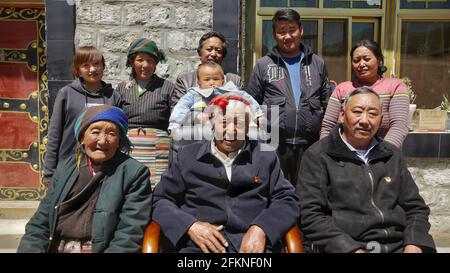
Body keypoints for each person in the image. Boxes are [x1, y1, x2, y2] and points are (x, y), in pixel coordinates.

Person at [152, 94, 299, 253]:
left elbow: (287, 199)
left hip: (253, 248)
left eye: (240, 123)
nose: (231, 131)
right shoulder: (187, 157)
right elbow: (160, 199)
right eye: (224, 122)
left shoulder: (265, 156)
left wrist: (262, 228)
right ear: (212, 124)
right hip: (200, 248)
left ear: (249, 127)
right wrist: (190, 225)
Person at [296, 87, 436, 253]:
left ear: (381, 119)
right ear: (342, 115)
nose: (364, 120)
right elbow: (310, 215)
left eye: (372, 114)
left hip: (398, 246)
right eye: (357, 111)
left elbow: (416, 208)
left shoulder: (391, 154)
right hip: (348, 247)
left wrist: (414, 244)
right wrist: (350, 249)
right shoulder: (318, 155)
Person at [18, 105, 152, 253]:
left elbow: (129, 232)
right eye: (95, 132)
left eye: (111, 133)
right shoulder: (65, 168)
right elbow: (41, 222)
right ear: (82, 137)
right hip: (58, 245)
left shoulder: (134, 173)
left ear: (119, 140)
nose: (102, 140)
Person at [247, 8, 332, 186]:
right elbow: (251, 103)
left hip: (310, 142)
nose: (287, 36)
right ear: (274, 34)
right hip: (274, 142)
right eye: (281, 31)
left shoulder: (317, 63)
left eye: (292, 30)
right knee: (274, 189)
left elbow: (327, 102)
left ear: (301, 30)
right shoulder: (263, 65)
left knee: (308, 190)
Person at [43, 46, 122, 185]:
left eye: (97, 64)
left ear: (103, 66)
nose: (93, 69)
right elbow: (55, 134)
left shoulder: (113, 96)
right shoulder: (66, 94)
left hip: (105, 167)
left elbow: (119, 133)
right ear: (78, 70)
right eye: (86, 65)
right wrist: (49, 173)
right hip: (70, 165)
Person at [320, 39, 409, 148]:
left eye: (367, 59)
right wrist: (326, 153)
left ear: (380, 61)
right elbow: (328, 126)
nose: (361, 64)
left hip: (383, 156)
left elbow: (399, 127)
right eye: (356, 60)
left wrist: (382, 154)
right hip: (343, 156)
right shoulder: (341, 89)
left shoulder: (395, 87)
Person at [115, 38, 176, 189]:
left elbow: (176, 118)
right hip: (129, 146)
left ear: (156, 63)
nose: (145, 65)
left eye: (150, 60)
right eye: (140, 60)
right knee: (129, 185)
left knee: (157, 188)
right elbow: (115, 117)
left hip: (158, 148)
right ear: (132, 62)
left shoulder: (167, 87)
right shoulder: (122, 88)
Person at [168, 61, 263, 133]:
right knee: (201, 116)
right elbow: (181, 107)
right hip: (204, 121)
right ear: (199, 83)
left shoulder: (231, 90)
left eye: (216, 79)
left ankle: (251, 125)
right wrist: (175, 123)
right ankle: (210, 131)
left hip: (228, 120)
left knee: (242, 112)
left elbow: (249, 100)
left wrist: (258, 114)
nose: (212, 82)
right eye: (207, 79)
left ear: (223, 80)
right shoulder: (195, 93)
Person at [174, 31, 243, 97]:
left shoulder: (234, 81)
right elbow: (178, 107)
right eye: (209, 49)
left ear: (223, 55)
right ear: (200, 53)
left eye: (218, 51)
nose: (213, 54)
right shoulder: (185, 80)